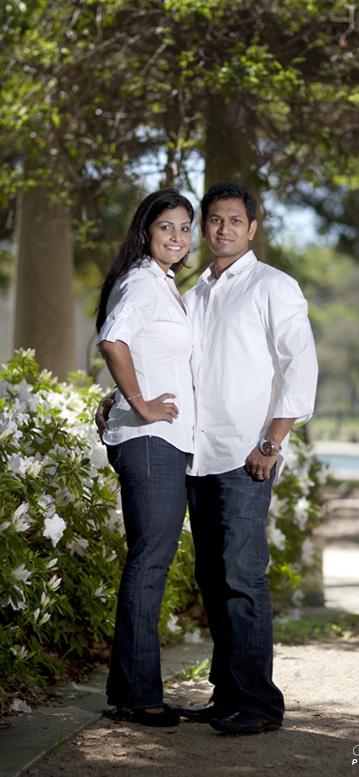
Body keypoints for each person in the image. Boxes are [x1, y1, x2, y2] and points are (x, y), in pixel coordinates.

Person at [97, 182, 318, 736]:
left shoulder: (274, 286)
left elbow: (301, 366)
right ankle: (229, 695)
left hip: (247, 454)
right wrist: (123, 398)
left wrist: (272, 442)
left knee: (244, 576)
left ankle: (259, 703)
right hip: (195, 455)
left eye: (233, 220)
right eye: (213, 220)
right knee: (214, 577)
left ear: (252, 228)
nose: (222, 229)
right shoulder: (191, 294)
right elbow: (161, 359)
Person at [95, 188, 195, 727]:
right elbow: (114, 341)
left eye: (184, 228)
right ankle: (138, 698)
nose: (176, 238)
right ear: (146, 230)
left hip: (163, 444)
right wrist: (139, 404)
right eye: (166, 228)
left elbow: (147, 352)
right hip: (150, 444)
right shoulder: (141, 281)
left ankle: (132, 691)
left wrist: (118, 399)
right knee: (149, 563)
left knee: (150, 562)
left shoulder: (163, 284)